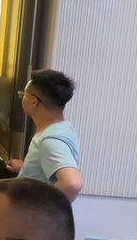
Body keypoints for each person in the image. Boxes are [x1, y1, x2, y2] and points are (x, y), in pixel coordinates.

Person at [7, 70, 84, 201]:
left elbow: (72, 184)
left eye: (23, 94)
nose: (22, 98)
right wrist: (25, 168)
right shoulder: (64, 128)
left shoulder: (51, 139)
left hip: (32, 213)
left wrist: (39, 207)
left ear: (33, 101)